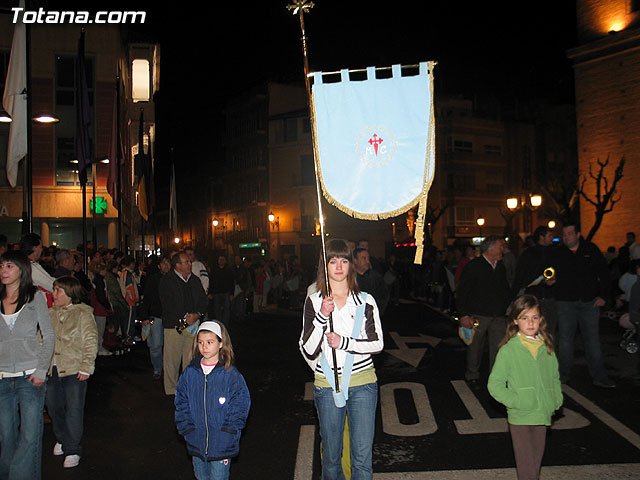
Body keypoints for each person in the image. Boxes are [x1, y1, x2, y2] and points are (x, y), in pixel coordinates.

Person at [299, 239, 384, 480]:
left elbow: (377, 343)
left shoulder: (365, 300)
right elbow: (308, 348)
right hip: (327, 384)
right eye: (333, 261)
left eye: (344, 260)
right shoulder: (314, 301)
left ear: (351, 265)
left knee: (362, 457)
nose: (338, 266)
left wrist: (344, 342)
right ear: (324, 267)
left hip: (363, 382)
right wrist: (322, 316)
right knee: (332, 456)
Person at [488, 295, 563, 480]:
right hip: (520, 415)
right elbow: (494, 384)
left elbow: (554, 377)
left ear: (541, 320)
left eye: (534, 317)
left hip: (543, 412)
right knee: (527, 467)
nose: (530, 323)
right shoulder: (509, 350)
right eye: (524, 318)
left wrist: (556, 400)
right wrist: (516, 401)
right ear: (515, 320)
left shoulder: (547, 347)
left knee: (535, 463)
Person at [0, 250, 55, 480]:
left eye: (9, 266)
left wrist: (41, 370)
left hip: (30, 375)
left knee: (30, 436)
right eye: (1, 266)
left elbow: (49, 334)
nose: (3, 270)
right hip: (2, 377)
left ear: (22, 269)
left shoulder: (34, 296)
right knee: (6, 436)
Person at [175, 321, 250, 480]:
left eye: (210, 342)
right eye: (201, 342)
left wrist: (229, 431)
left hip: (222, 443)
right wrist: (187, 428)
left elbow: (240, 405)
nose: (204, 347)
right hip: (196, 441)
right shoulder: (190, 373)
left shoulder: (230, 374)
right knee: (201, 476)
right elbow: (181, 401)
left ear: (221, 343)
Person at [46, 276, 98, 469]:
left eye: (58, 290)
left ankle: (73, 448)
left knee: (74, 409)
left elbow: (91, 340)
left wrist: (86, 366)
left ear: (70, 293)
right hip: (53, 369)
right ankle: (62, 438)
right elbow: (41, 339)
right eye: (54, 290)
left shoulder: (83, 313)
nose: (54, 294)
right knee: (54, 407)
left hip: (75, 369)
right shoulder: (49, 314)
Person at [554, 223, 614, 387]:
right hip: (566, 302)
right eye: (564, 234)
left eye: (570, 233)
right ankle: (563, 374)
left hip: (589, 302)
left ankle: (599, 376)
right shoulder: (559, 252)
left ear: (578, 234)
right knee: (566, 340)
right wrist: (551, 282)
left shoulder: (590, 250)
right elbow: (551, 273)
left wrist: (603, 296)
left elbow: (604, 273)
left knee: (592, 340)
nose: (567, 237)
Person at [456, 236, 512, 390]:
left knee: (499, 348)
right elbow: (462, 292)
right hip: (478, 315)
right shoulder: (474, 266)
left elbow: (505, 290)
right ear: (491, 248)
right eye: (501, 246)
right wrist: (463, 315)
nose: (504, 249)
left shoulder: (500, 267)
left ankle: (496, 378)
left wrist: (510, 306)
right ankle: (472, 375)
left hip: (498, 316)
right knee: (475, 347)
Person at [159, 251, 209, 395]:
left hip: (193, 326)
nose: (190, 264)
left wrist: (197, 315)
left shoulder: (194, 280)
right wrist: (185, 317)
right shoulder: (167, 280)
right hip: (174, 326)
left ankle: (189, 388)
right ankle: (171, 390)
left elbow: (203, 300)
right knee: (172, 360)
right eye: (186, 262)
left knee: (190, 359)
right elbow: (167, 303)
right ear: (177, 265)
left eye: (189, 262)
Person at [512, 226, 559, 341]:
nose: (552, 238)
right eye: (549, 236)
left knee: (550, 331)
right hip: (534, 298)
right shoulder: (529, 254)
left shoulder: (555, 253)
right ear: (541, 237)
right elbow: (520, 276)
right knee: (533, 330)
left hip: (551, 297)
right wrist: (515, 295)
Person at [138, 255, 171, 380]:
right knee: (155, 345)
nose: (166, 265)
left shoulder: (174, 279)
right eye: (163, 263)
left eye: (168, 263)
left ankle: (169, 369)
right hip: (156, 315)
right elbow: (147, 298)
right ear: (159, 266)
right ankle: (158, 368)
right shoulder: (153, 280)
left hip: (170, 316)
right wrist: (144, 316)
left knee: (170, 346)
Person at [353, 248, 390, 315]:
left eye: (368, 258)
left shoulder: (376, 277)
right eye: (364, 258)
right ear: (355, 261)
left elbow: (383, 297)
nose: (367, 261)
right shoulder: (349, 278)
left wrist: (376, 313)